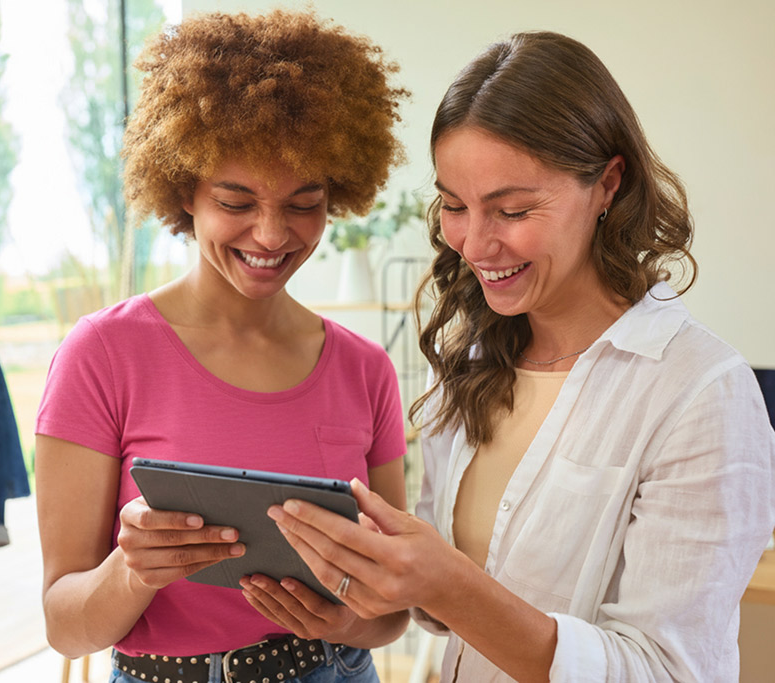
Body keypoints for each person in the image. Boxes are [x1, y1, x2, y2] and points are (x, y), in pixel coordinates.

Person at [261, 31, 775, 681]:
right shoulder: (476, 364)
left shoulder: (700, 392)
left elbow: (669, 671)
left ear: (608, 184)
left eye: (512, 210)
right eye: (454, 206)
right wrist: (351, 613)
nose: (475, 244)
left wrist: (450, 586)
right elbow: (442, 612)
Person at [34, 9, 411, 683]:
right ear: (186, 189)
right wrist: (133, 569)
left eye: (303, 203)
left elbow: (393, 609)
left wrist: (342, 621)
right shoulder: (103, 354)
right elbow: (65, 626)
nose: (271, 234)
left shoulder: (365, 369)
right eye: (236, 202)